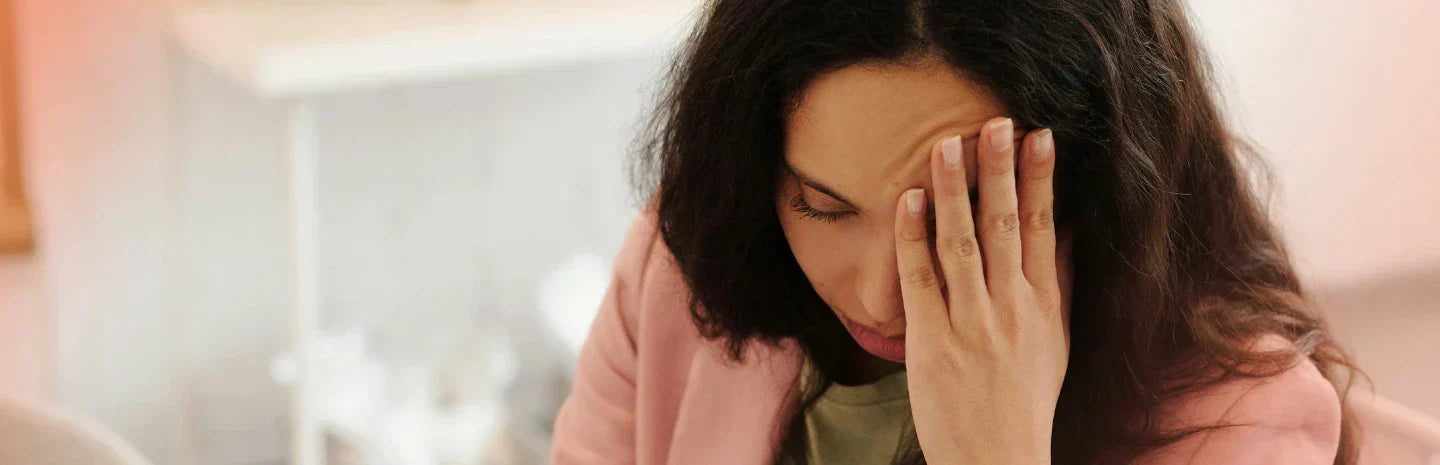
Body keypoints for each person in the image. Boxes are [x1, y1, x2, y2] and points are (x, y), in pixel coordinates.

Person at [550, 1, 1359, 464]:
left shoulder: (1248, 421)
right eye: (823, 206)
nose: (876, 296)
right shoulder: (682, 263)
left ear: (1099, 187)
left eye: (957, 221)